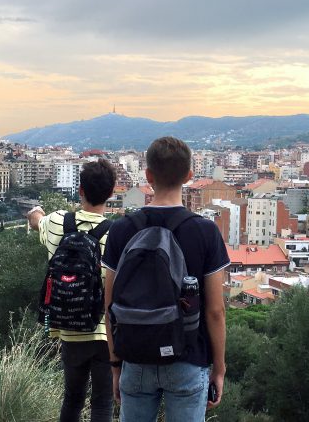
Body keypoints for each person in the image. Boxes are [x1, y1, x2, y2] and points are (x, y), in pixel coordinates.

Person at [102, 136, 229, 422]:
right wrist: (218, 368)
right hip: (188, 357)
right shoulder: (205, 231)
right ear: (189, 175)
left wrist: (115, 365)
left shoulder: (121, 230)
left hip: (135, 355)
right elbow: (215, 312)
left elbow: (108, 305)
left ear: (148, 176)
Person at [28, 159, 117, 422]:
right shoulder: (116, 234)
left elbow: (36, 221)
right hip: (103, 332)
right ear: (111, 193)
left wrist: (35, 211)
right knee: (102, 404)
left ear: (80, 190)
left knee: (72, 399)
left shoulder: (57, 223)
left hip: (69, 327)